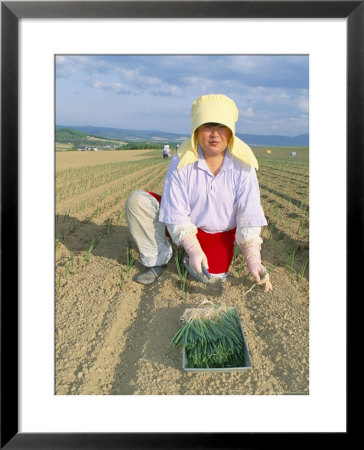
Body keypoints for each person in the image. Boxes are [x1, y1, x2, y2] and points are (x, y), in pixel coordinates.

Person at [125, 94, 272, 292]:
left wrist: (253, 259)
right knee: (138, 201)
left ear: (231, 132)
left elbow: (249, 213)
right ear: (196, 130)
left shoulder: (243, 166)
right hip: (185, 221)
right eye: (208, 126)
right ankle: (158, 258)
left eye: (222, 127)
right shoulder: (182, 161)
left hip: (218, 232)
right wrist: (193, 248)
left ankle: (190, 255)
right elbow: (175, 210)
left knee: (213, 276)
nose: (215, 134)